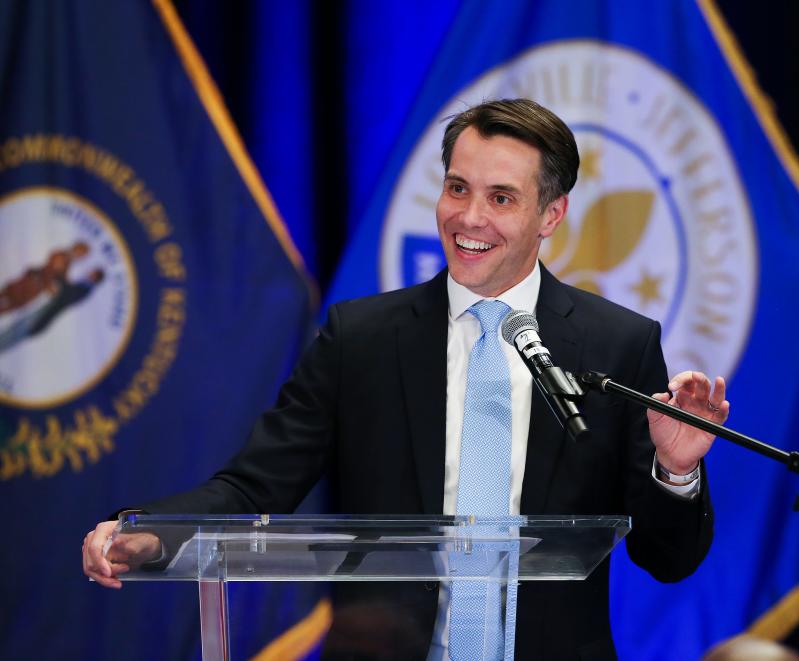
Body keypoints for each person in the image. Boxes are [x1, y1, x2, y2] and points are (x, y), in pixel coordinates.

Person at [82, 99, 730, 660]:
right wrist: (145, 527)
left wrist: (674, 471)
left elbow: (668, 559)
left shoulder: (617, 345)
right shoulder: (362, 339)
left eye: (500, 198)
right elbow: (253, 481)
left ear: (551, 215)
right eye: (457, 188)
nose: (468, 218)